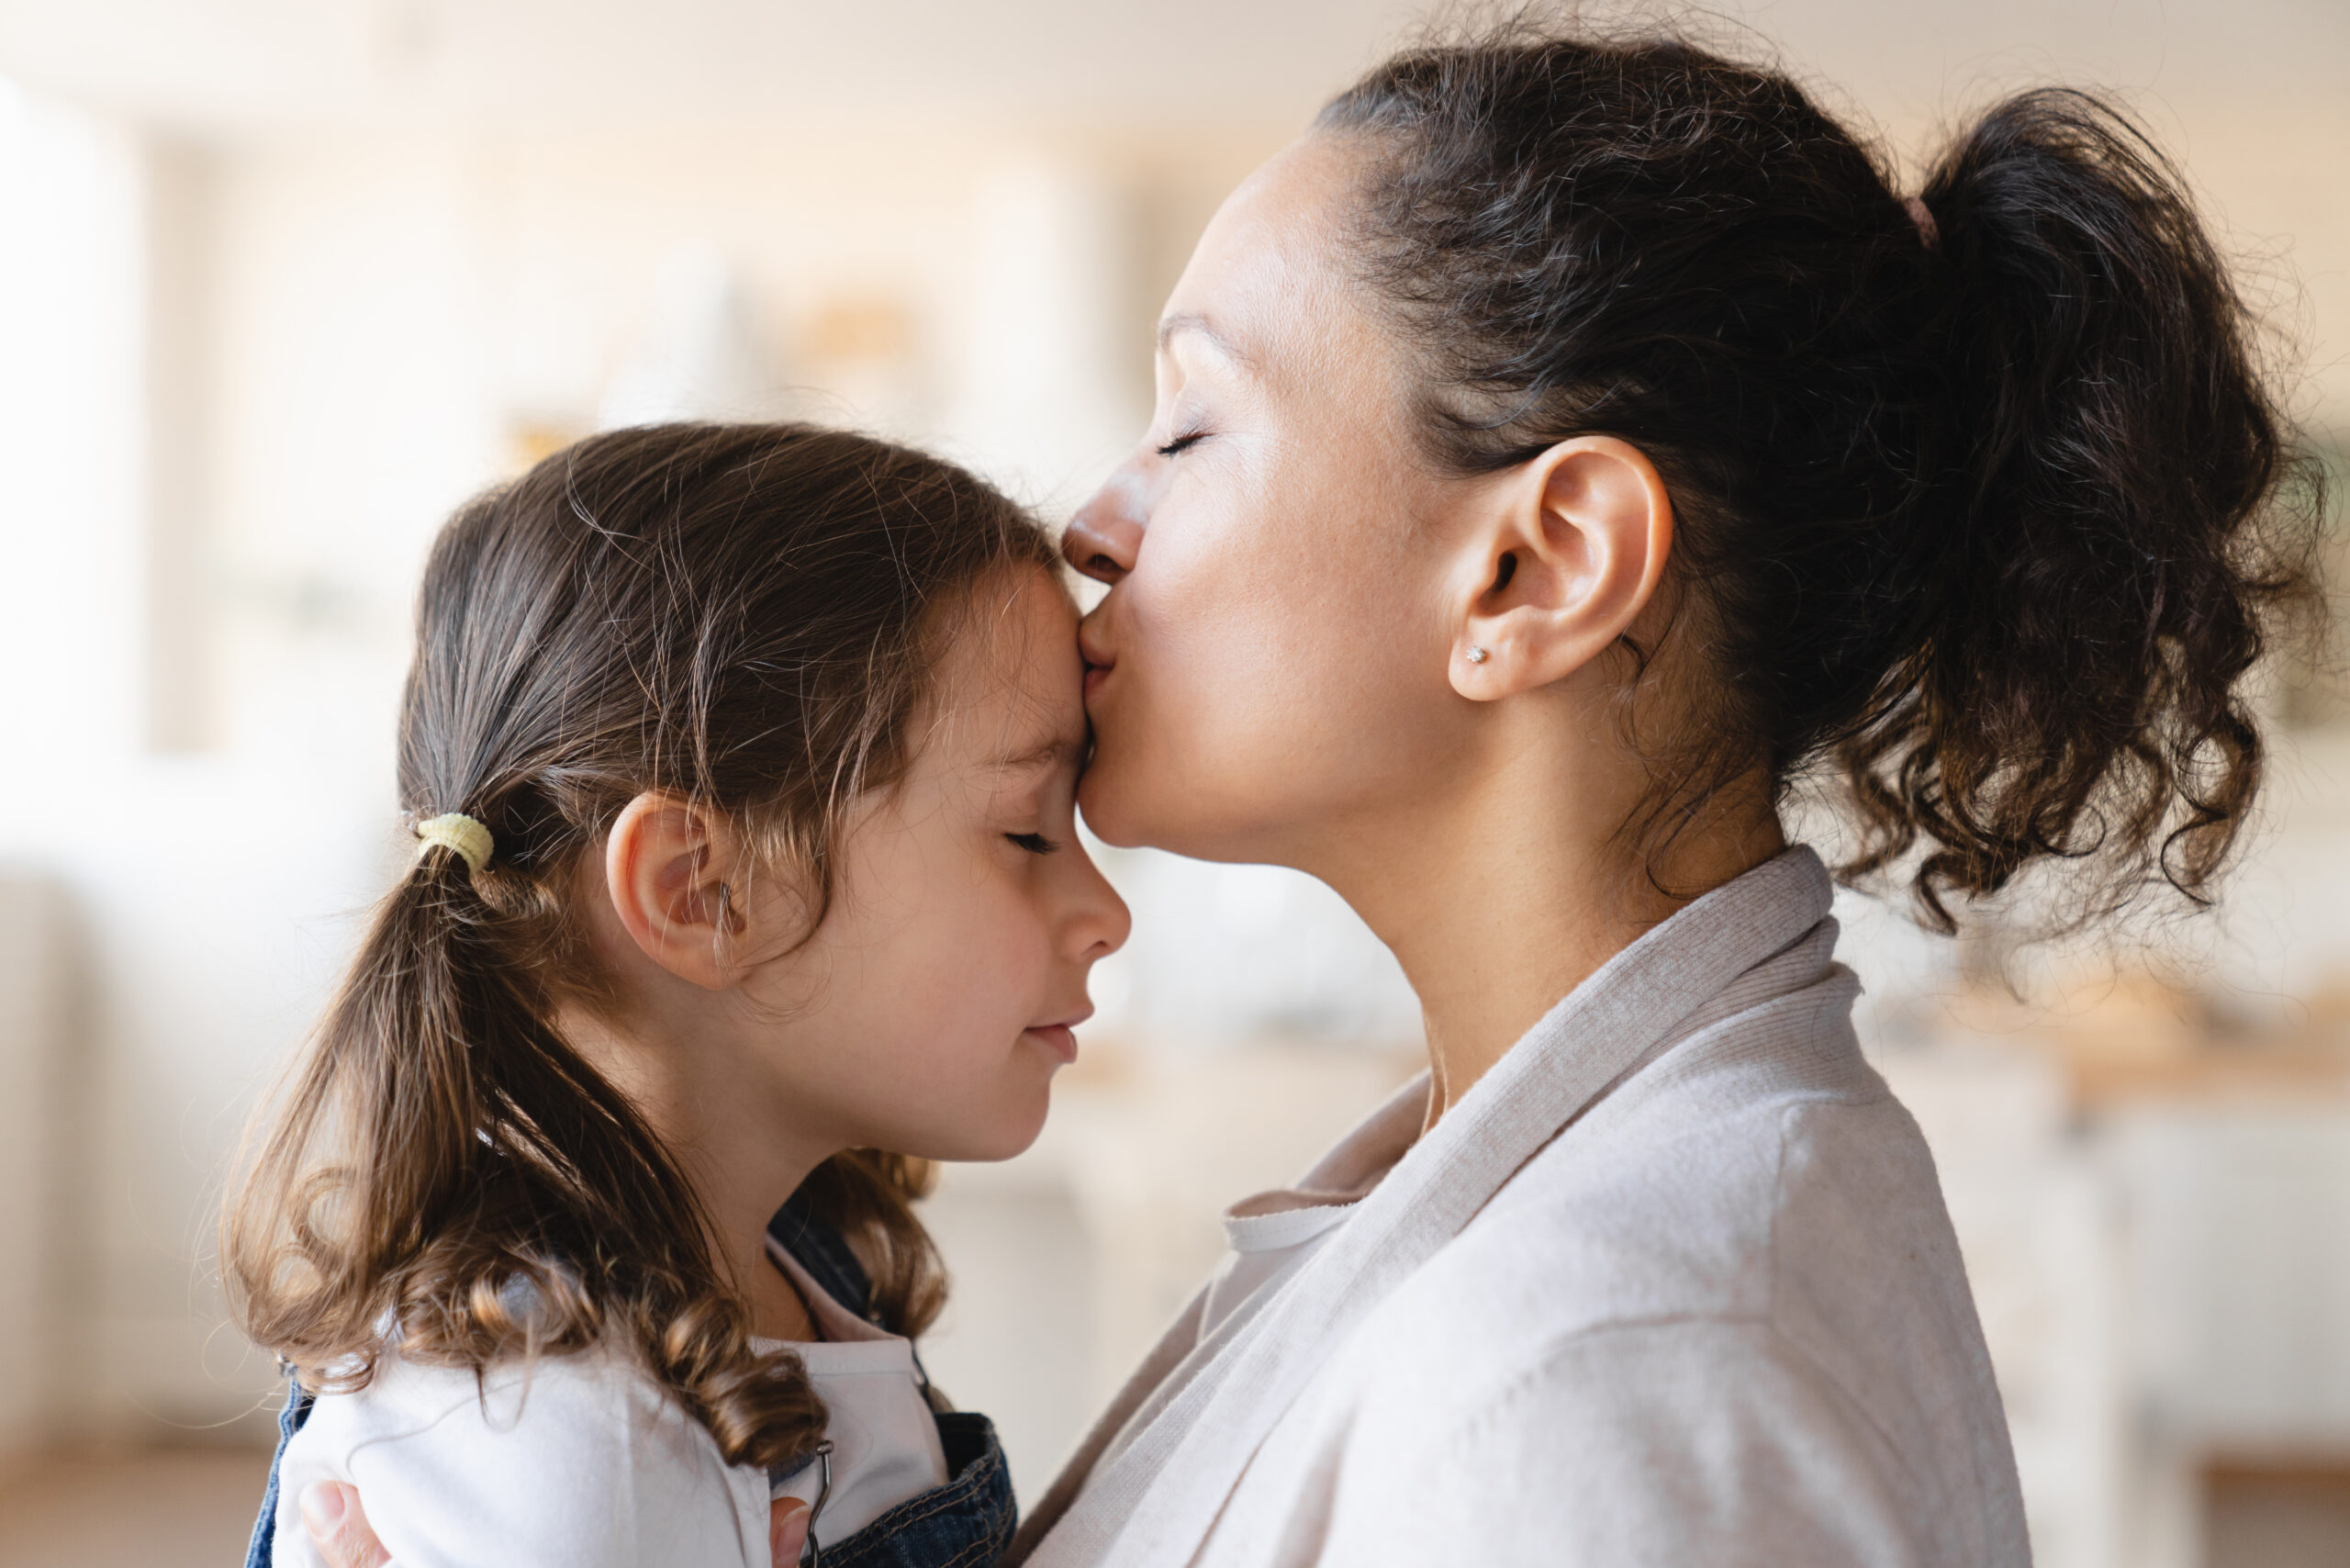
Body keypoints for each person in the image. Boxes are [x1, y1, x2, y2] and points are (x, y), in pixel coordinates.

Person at [301, 19, 2323, 1568]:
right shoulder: (1514, 1202)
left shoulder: (1607, 1368)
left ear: (1531, 571)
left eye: (1190, 423)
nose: (1090, 521)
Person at [226, 422, 1129, 1568]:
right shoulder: (563, 1444)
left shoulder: (783, 1247)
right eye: (1026, 831)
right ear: (701, 890)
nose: (1107, 913)